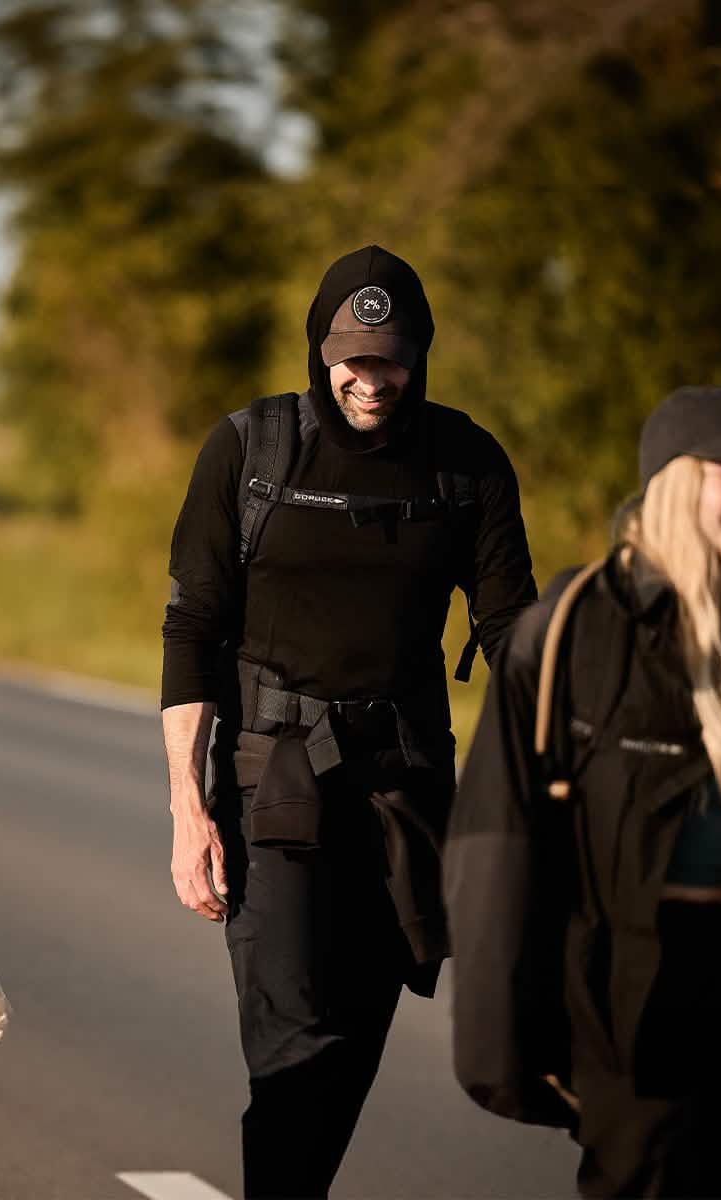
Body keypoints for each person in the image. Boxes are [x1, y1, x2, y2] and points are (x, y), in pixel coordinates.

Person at [161, 244, 538, 1198]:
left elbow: (509, 632)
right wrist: (187, 809)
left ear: (420, 354)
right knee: (295, 1037)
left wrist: (556, 763)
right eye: (354, 357)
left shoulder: (467, 462)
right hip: (270, 780)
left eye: (392, 358)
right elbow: (192, 632)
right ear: (321, 350)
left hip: (403, 786)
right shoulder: (250, 450)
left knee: (360, 1030)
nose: (372, 380)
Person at [445, 385, 721, 1198]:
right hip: (620, 982)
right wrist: (493, 1041)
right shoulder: (578, 626)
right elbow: (492, 833)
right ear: (676, 484)